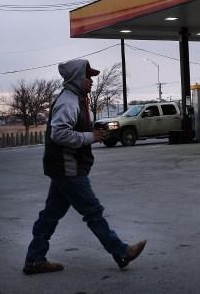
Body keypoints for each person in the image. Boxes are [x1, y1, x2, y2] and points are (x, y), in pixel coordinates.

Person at [23, 59, 146, 275]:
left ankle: (35, 259)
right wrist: (90, 136)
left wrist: (92, 134)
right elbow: (59, 133)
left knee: (50, 215)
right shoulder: (68, 101)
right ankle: (121, 251)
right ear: (77, 78)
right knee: (93, 211)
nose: (91, 81)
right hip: (68, 167)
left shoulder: (76, 99)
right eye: (87, 77)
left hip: (64, 167)